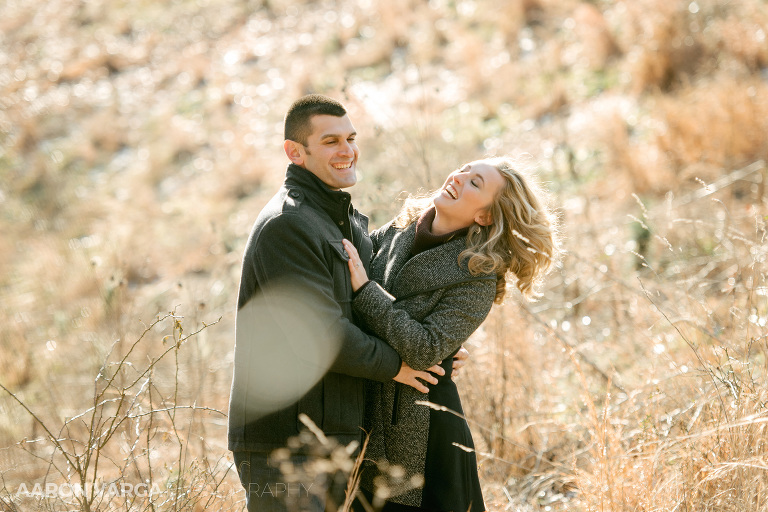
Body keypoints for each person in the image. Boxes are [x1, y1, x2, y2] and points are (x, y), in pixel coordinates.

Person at [228, 94, 446, 512]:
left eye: (350, 138)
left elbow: (373, 304)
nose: (347, 151)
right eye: (330, 142)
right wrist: (399, 366)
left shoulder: (339, 219)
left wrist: (436, 344)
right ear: (295, 152)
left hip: (339, 436)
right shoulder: (287, 225)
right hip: (286, 446)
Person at [344, 157, 559, 511]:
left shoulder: (478, 275)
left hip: (422, 432)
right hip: (362, 411)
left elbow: (425, 350)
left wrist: (367, 291)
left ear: (485, 216)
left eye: (475, 183)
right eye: (464, 169)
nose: (458, 178)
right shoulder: (398, 229)